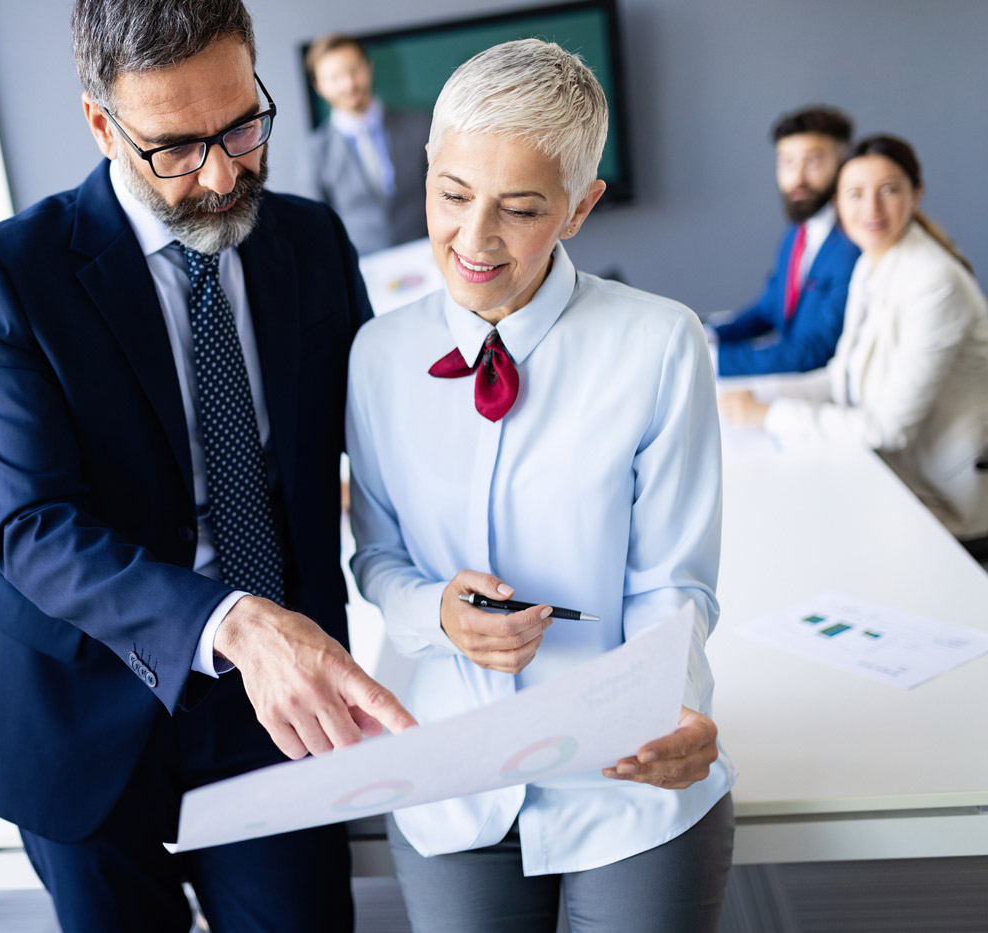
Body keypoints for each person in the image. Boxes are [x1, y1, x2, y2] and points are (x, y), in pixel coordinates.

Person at [0, 1, 417, 929]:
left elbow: (390, 442)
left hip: (276, 701)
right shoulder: (10, 275)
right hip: (81, 696)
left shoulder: (313, 241)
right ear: (100, 123)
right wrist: (234, 622)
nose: (220, 174)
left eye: (243, 126)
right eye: (174, 147)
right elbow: (35, 531)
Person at [347, 39, 736, 932]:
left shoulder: (661, 343)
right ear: (427, 168)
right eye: (452, 195)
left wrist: (671, 707)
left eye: (519, 209)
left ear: (580, 207)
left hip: (624, 770)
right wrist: (434, 612)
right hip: (450, 768)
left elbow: (673, 581)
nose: (474, 240)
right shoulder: (375, 355)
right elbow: (377, 556)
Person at [721, 136, 988, 545]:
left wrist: (769, 415)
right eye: (855, 194)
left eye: (889, 190)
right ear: (839, 205)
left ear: (916, 194)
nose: (871, 209)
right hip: (894, 473)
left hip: (942, 498)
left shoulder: (935, 282)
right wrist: (755, 395)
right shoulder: (872, 260)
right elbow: (840, 378)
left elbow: (886, 429)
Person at [710, 106, 860, 375]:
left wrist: (708, 360)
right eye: (787, 162)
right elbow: (768, 310)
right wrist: (706, 336)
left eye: (812, 162)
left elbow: (816, 350)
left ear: (843, 165)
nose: (797, 178)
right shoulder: (797, 235)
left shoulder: (852, 246)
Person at [304, 33, 431, 255]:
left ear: (368, 67)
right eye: (334, 78)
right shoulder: (314, 151)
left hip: (427, 254)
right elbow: (315, 226)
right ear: (318, 86)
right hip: (363, 267)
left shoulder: (418, 125)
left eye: (354, 70)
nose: (349, 84)